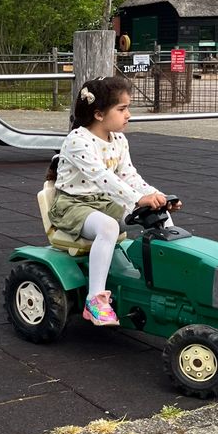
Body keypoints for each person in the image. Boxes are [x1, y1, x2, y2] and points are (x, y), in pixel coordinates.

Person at [50, 75, 180, 326]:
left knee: (158, 216)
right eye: (122, 109)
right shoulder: (78, 140)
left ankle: (168, 279)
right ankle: (95, 300)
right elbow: (102, 177)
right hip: (72, 205)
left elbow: (129, 176)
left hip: (103, 201)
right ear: (98, 114)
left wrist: (157, 196)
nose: (128, 114)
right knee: (108, 226)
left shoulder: (119, 140)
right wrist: (139, 199)